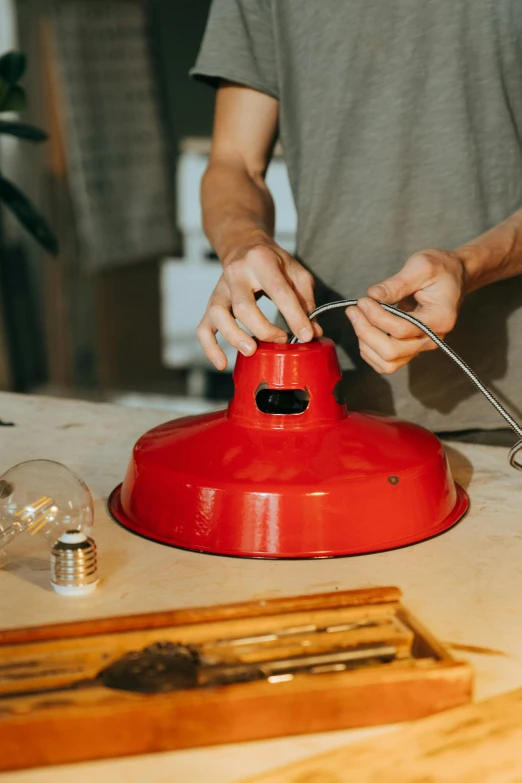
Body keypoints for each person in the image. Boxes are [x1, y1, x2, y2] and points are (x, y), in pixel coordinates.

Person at [191, 0, 522, 439]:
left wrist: (469, 266)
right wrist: (243, 242)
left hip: (504, 406)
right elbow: (234, 162)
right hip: (327, 399)